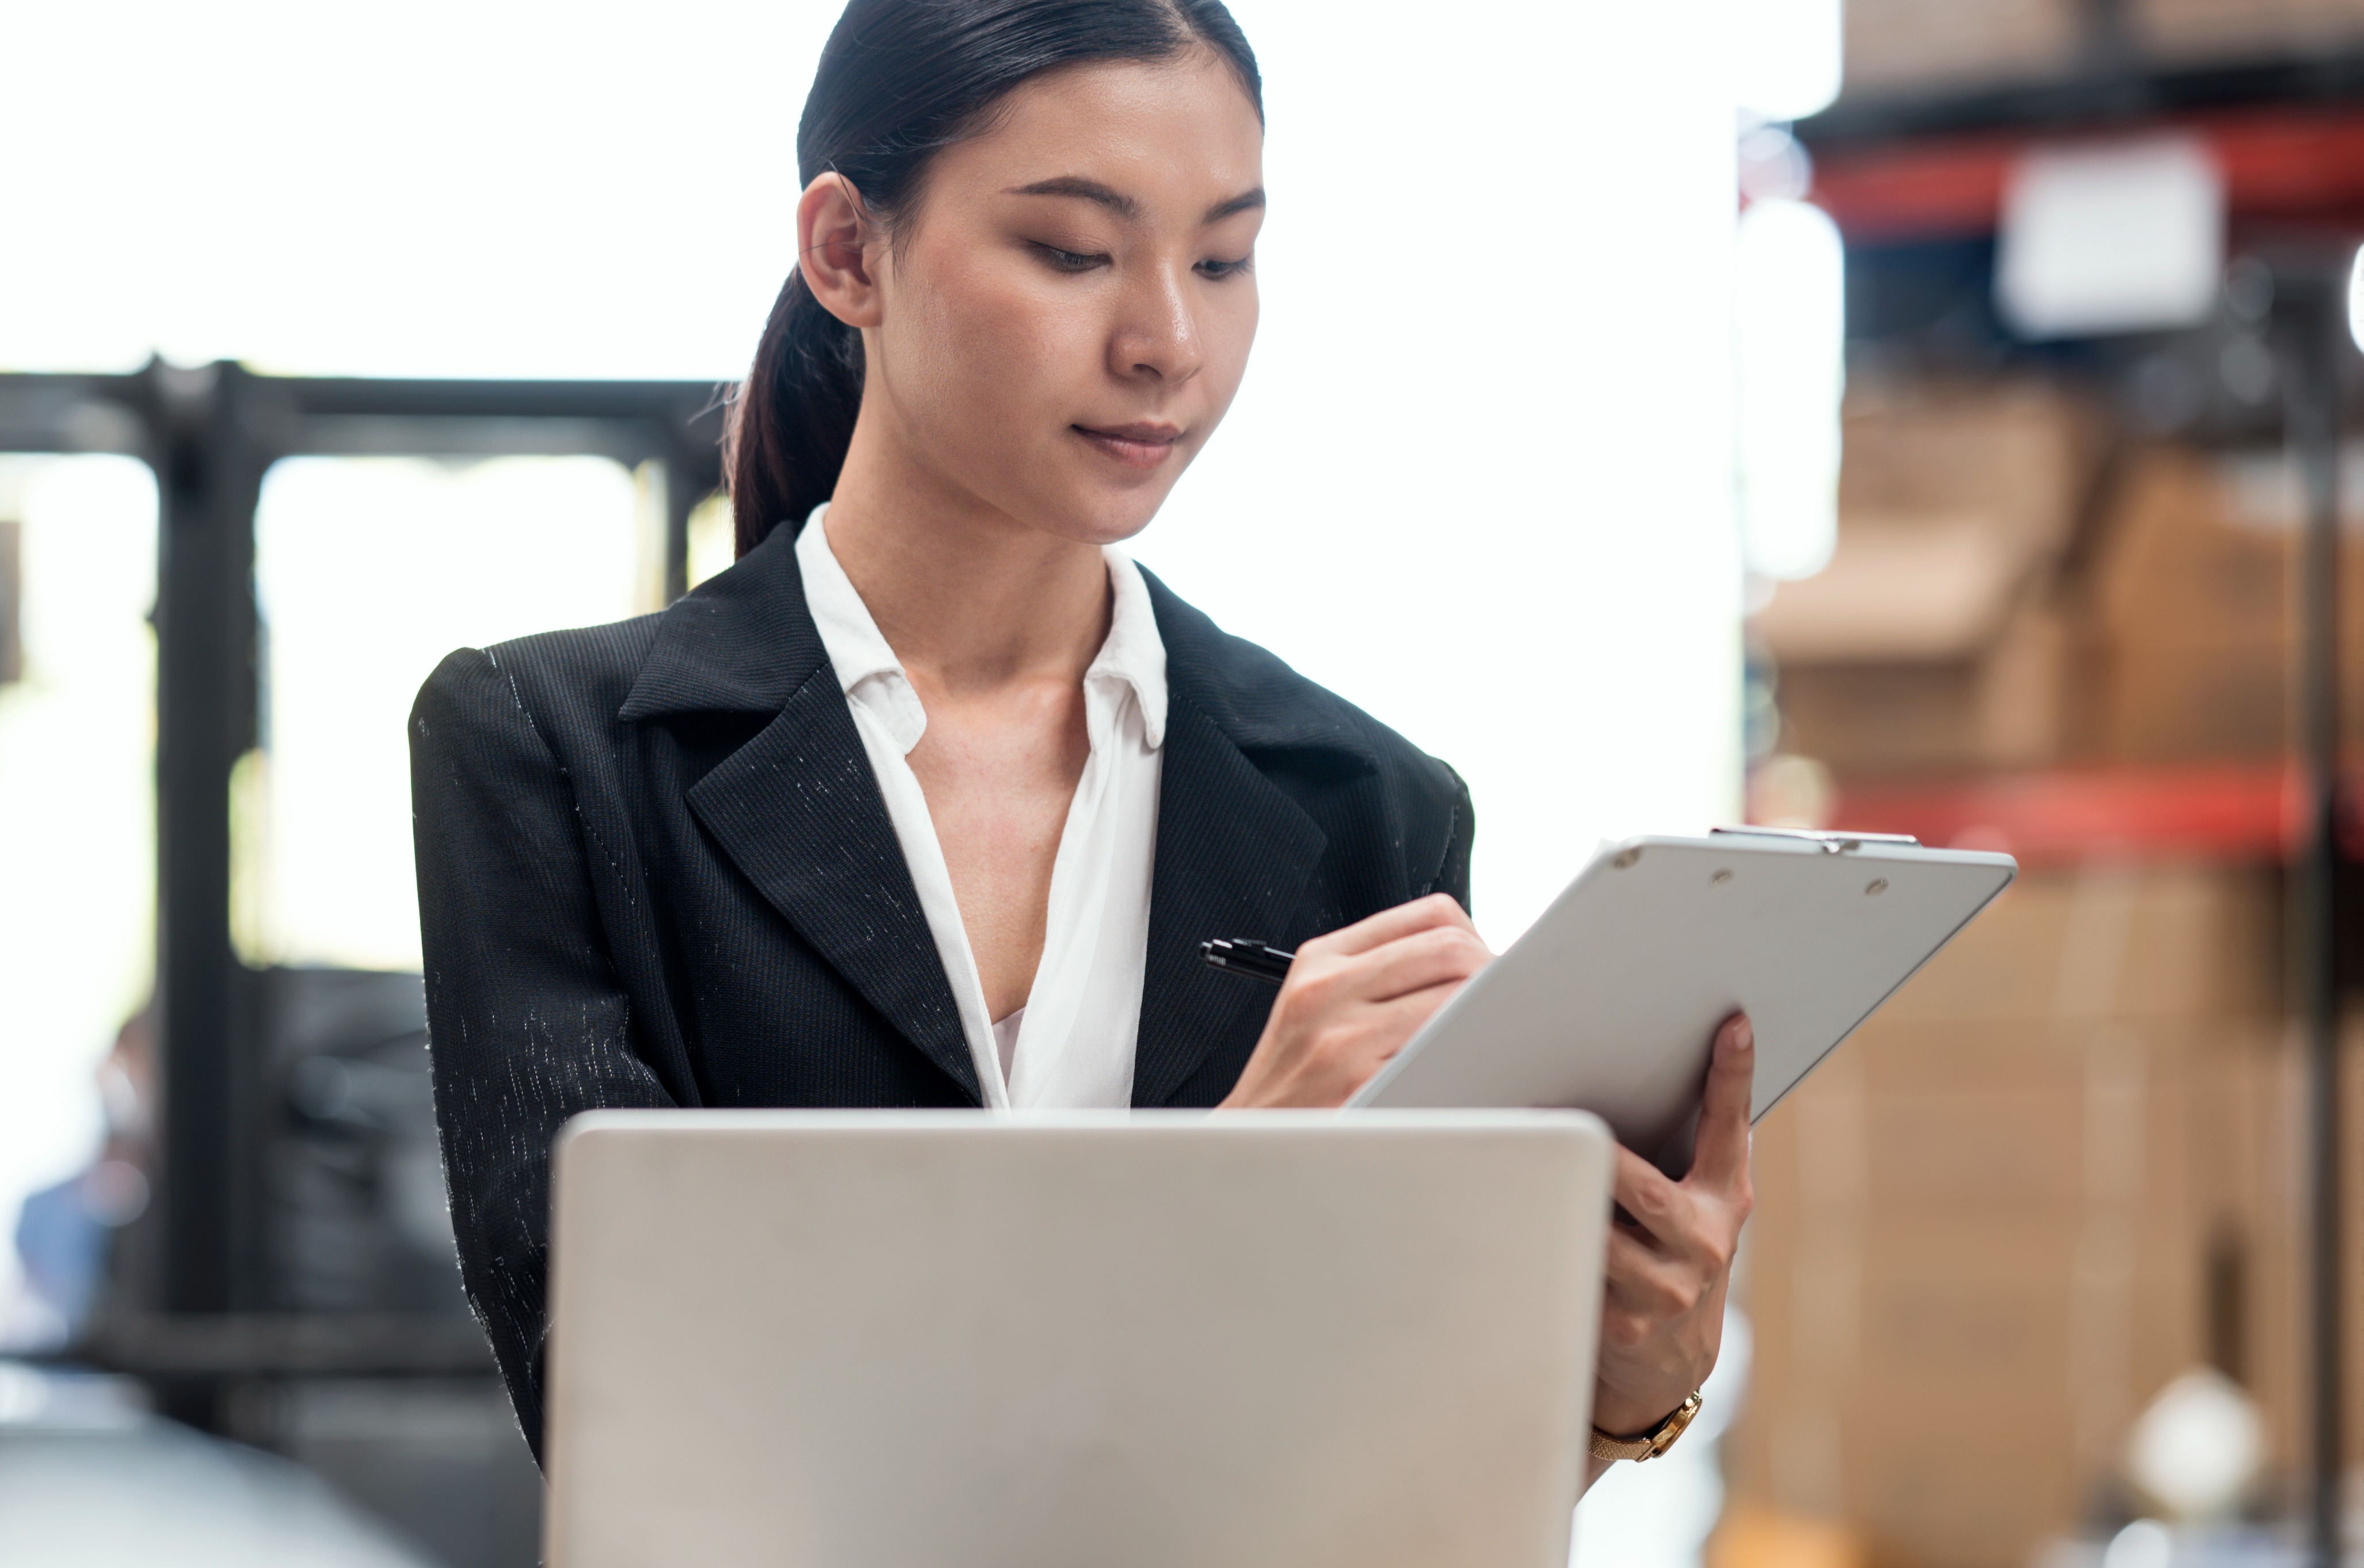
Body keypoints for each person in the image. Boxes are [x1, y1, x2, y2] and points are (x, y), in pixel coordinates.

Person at [409, 0, 1750, 1481]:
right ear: (849, 251)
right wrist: (1214, 1194)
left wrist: (1619, 1396)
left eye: (1224, 259)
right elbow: (639, 1417)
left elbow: (1373, 1468)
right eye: (1071, 252)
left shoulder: (1367, 806)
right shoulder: (551, 757)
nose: (1168, 341)